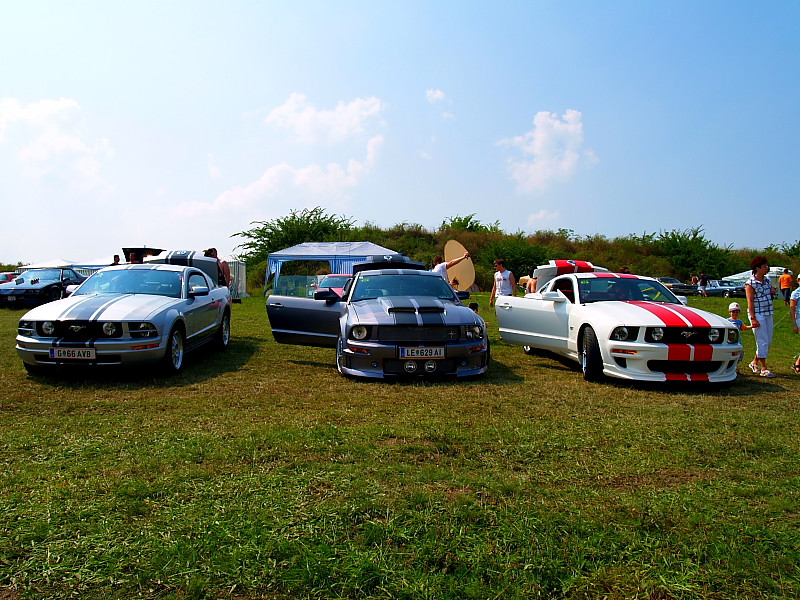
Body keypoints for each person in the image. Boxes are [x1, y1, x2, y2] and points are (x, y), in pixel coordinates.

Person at [745, 256, 776, 377]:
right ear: (757, 268)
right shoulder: (750, 283)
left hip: (768, 312)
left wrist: (772, 290)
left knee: (768, 341)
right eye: (764, 266)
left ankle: (754, 362)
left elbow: (769, 291)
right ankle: (764, 368)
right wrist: (753, 318)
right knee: (762, 340)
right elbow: (750, 302)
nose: (767, 268)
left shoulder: (767, 280)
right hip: (758, 314)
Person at [726, 301, 752, 372]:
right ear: (729, 312)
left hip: (738, 341)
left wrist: (752, 326)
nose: (735, 314)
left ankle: (735, 366)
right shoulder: (727, 321)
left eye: (737, 312)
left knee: (739, 354)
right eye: (733, 312)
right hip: (729, 341)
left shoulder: (739, 322)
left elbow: (744, 328)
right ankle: (729, 366)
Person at [790, 286, 800, 373]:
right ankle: (797, 364)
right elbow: (792, 309)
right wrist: (794, 324)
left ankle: (798, 363)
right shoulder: (796, 293)